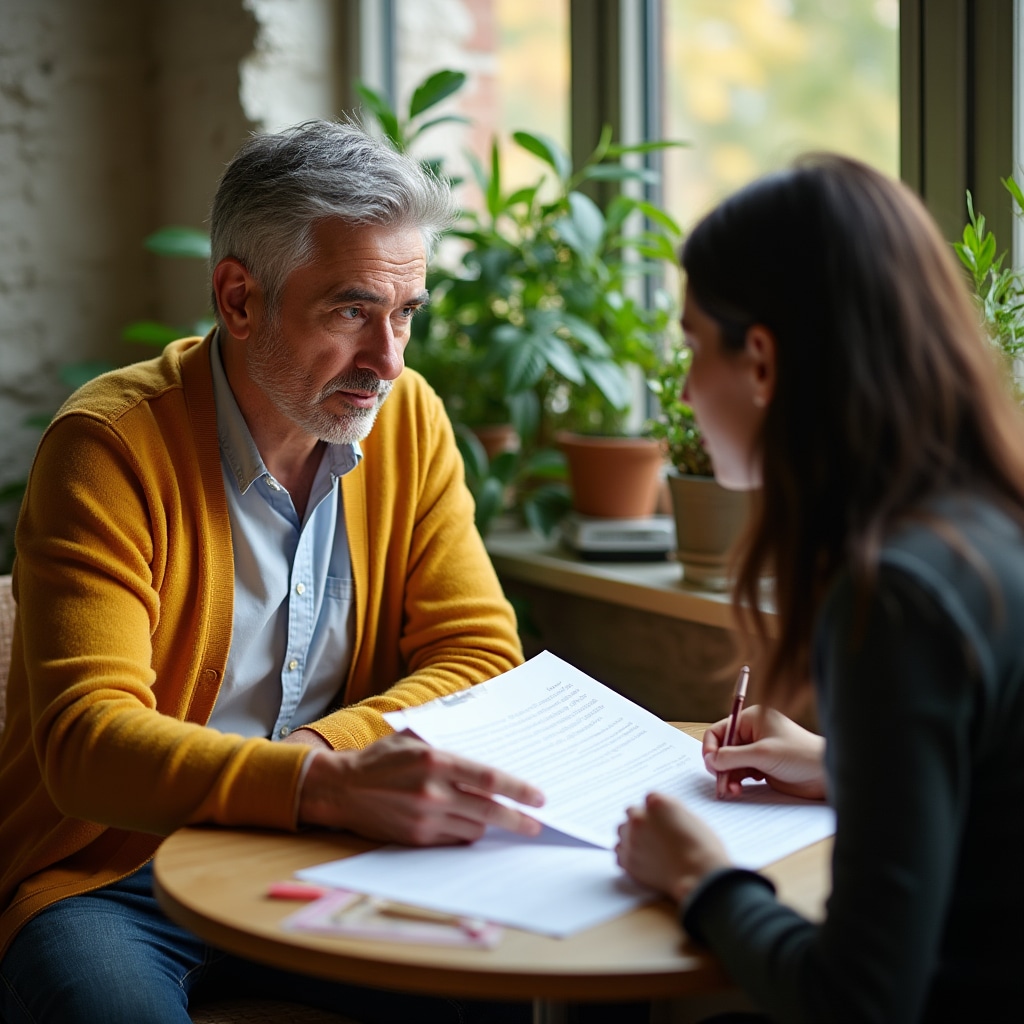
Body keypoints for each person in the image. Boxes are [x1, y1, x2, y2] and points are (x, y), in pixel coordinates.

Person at [0, 119, 545, 1023]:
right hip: (104, 875)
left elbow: (482, 655)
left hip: (322, 853)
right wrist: (321, 785)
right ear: (239, 299)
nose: (389, 360)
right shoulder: (109, 447)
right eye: (350, 311)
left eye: (405, 313)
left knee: (491, 1000)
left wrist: (319, 763)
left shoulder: (409, 423)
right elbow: (86, 745)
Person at [615, 154, 1024, 1023]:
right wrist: (845, 767)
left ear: (761, 361)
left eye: (692, 347)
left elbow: (858, 1002)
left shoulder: (896, 596)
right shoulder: (988, 529)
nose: (684, 391)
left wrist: (700, 875)